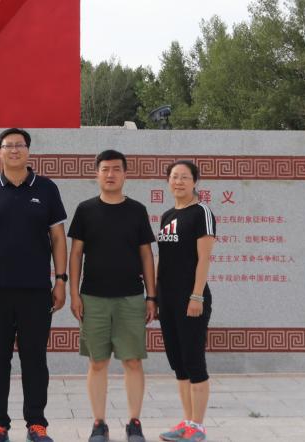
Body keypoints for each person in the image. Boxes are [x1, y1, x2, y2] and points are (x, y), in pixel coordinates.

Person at [0, 128, 68, 442]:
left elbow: (58, 238)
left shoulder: (47, 188)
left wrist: (61, 280)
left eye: (19, 145)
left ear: (28, 150)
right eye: (8, 145)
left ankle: (36, 424)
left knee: (34, 358)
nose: (14, 150)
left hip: (36, 290)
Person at [69, 149, 156, 442]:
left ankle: (134, 422)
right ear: (96, 173)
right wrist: (74, 294)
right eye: (105, 169)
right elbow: (76, 254)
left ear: (125, 174)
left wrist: (151, 297)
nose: (110, 174)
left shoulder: (137, 210)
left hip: (130, 297)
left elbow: (146, 255)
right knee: (97, 362)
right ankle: (99, 423)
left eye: (116, 169)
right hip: (93, 297)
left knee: (133, 361)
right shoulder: (85, 210)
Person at [156, 160, 217, 442]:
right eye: (174, 177)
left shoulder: (201, 212)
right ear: (168, 181)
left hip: (191, 298)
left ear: (195, 181)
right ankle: (187, 421)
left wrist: (196, 295)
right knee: (178, 364)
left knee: (193, 361)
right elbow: (164, 259)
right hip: (167, 300)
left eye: (184, 177)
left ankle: (199, 426)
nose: (178, 181)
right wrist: (155, 296)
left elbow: (204, 258)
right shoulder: (167, 216)